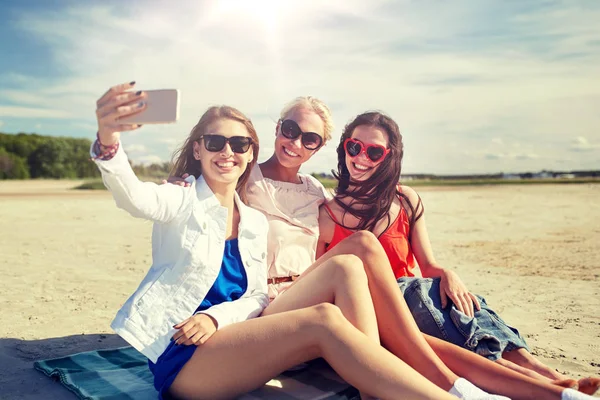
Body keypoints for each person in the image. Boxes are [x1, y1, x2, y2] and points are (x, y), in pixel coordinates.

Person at [167, 96, 595, 400]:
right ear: (277, 129)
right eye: (290, 130)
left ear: (319, 147)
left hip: (311, 289)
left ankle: (556, 394)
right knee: (373, 264)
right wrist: (184, 181)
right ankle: (444, 386)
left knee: (427, 341)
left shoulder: (317, 192)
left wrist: (443, 270)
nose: (296, 143)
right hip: (270, 304)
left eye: (309, 138)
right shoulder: (245, 177)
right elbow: (210, 176)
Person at [93, 82, 468, 400]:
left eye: (239, 145)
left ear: (249, 153)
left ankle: (378, 386)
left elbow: (255, 296)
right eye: (215, 142)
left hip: (234, 333)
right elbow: (134, 197)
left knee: (344, 277)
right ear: (197, 148)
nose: (228, 153)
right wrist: (109, 139)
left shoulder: (254, 221)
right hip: (183, 354)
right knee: (324, 319)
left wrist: (214, 316)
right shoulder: (180, 199)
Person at [317, 110, 600, 396]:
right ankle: (544, 386)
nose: (361, 156)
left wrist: (449, 275)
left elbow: (428, 264)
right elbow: (325, 282)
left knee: (466, 305)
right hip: (378, 310)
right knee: (441, 318)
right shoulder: (328, 216)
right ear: (344, 148)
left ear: (389, 156)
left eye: (374, 151)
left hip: (418, 295)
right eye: (354, 146)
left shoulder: (405, 200)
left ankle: (546, 374)